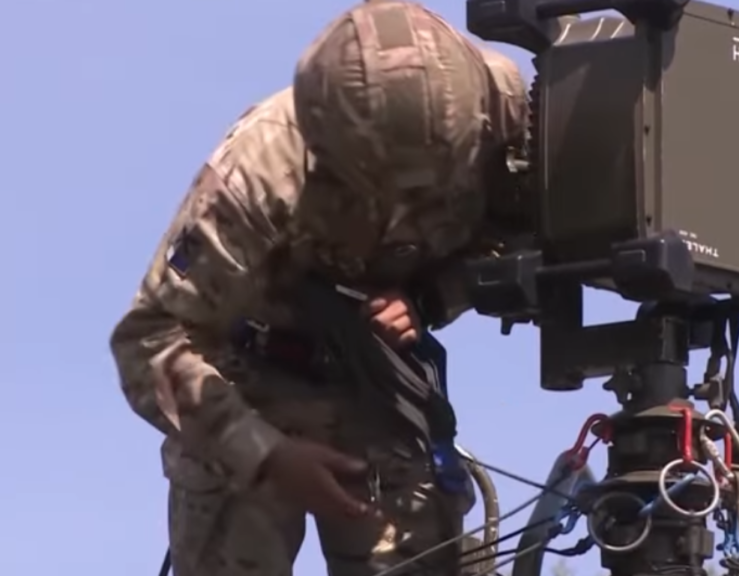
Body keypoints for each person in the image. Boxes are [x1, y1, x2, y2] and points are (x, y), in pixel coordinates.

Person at [108, 1, 528, 575]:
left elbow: (521, 232)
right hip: (247, 385)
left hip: (379, 388)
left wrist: (431, 297)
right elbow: (150, 341)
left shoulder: (498, 109)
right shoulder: (262, 167)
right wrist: (265, 454)